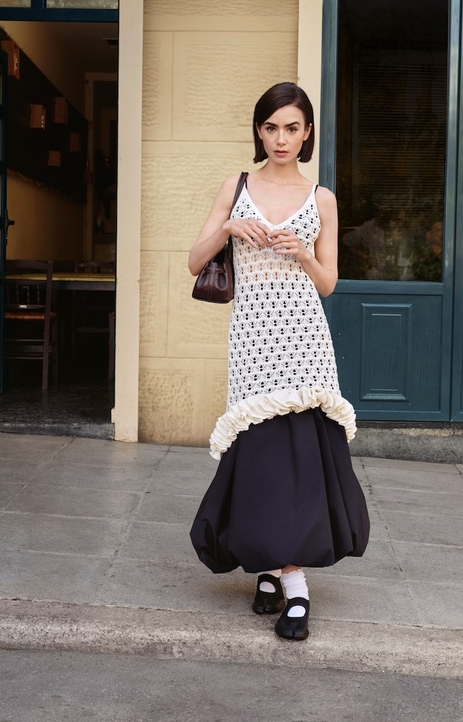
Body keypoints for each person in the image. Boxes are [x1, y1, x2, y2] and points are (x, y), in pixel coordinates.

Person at [187, 82, 369, 642]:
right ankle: (269, 570)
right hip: (252, 342)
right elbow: (194, 261)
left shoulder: (322, 199)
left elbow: (329, 283)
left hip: (305, 341)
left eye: (292, 128)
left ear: (307, 132)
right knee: (261, 459)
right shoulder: (236, 186)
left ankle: (294, 586)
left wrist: (303, 254)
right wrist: (228, 228)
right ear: (259, 131)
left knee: (300, 459)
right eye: (271, 128)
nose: (281, 138)